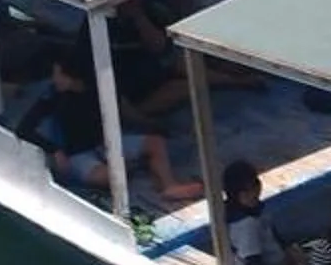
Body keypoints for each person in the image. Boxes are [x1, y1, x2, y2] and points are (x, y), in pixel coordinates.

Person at [11, 50, 200, 205]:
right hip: (77, 153)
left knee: (155, 143)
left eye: (59, 74)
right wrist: (55, 150)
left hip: (104, 142)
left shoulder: (99, 89)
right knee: (110, 178)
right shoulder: (52, 96)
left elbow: (125, 112)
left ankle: (169, 186)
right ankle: (131, 167)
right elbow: (24, 128)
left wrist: (150, 125)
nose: (55, 79)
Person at [220, 161, 296, 265]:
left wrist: (292, 252)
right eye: (246, 191)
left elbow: (274, 235)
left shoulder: (258, 209)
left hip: (282, 264)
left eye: (255, 185)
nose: (253, 192)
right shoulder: (245, 225)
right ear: (236, 195)